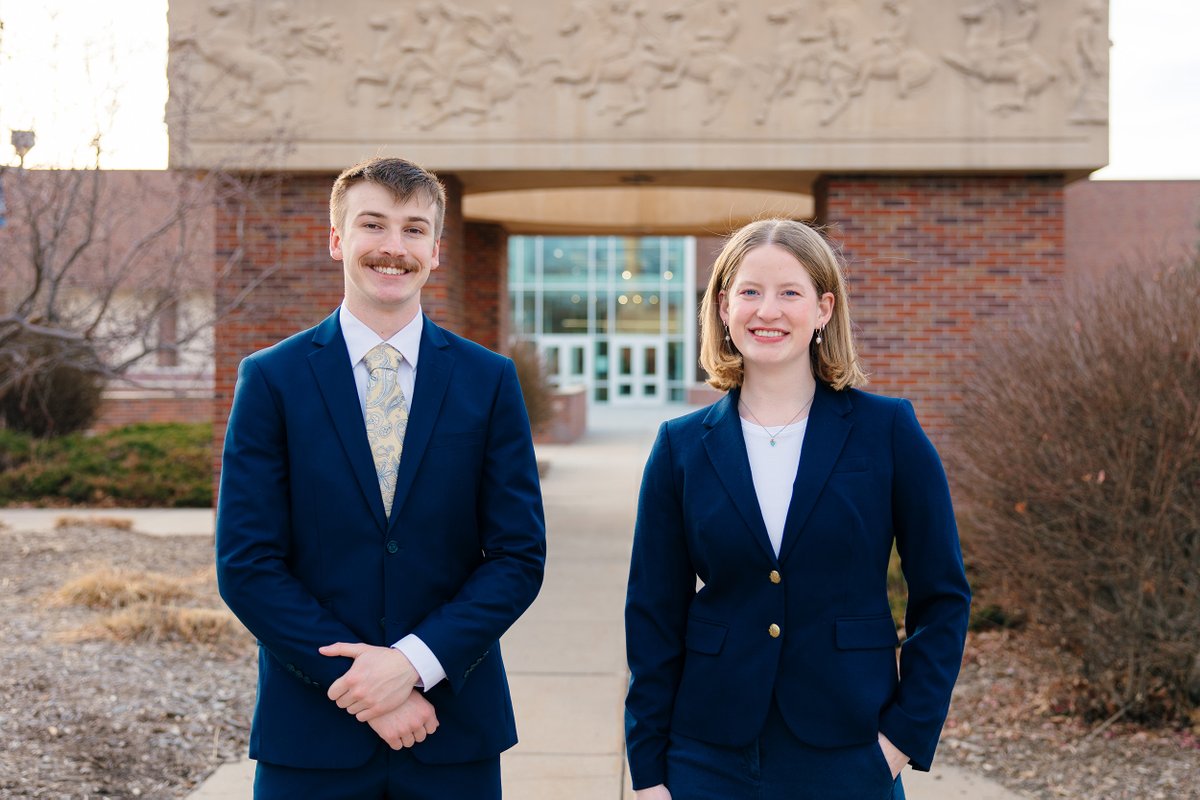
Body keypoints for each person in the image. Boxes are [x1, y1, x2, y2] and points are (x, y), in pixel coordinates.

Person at [216, 157, 546, 799]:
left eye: (414, 230)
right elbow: (247, 564)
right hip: (311, 735)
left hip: (452, 731)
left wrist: (413, 665)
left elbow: (517, 557)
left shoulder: (489, 382)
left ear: (436, 250)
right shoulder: (272, 381)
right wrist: (370, 689)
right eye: (374, 225)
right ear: (337, 239)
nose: (394, 248)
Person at [624, 218, 970, 800]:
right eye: (750, 292)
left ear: (823, 309)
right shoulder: (680, 447)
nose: (768, 311)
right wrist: (651, 771)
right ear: (724, 309)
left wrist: (901, 740)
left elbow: (943, 596)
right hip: (708, 752)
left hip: (850, 749)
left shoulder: (888, 431)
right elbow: (653, 614)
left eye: (790, 293)